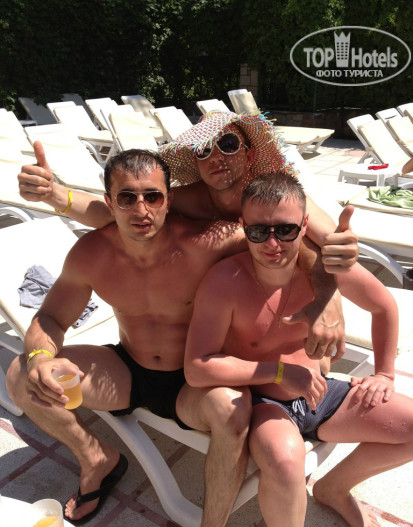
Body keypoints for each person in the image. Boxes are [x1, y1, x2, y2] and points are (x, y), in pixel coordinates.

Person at [7, 149, 253, 527]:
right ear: (109, 202)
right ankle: (96, 459)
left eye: (153, 196)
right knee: (21, 376)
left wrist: (326, 299)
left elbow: (285, 239)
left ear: (169, 200)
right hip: (128, 370)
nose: (142, 210)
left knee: (232, 411)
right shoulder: (92, 253)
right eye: (127, 198)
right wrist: (41, 357)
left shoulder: (206, 242)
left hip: (194, 379)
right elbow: (50, 317)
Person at [184, 172, 413, 527]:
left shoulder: (325, 270)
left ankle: (334, 488)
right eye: (259, 232)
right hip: (266, 403)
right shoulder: (225, 281)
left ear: (305, 225)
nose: (272, 244)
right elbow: (197, 367)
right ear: (244, 227)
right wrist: (278, 372)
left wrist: (385, 374)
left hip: (323, 395)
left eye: (286, 230)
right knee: (285, 461)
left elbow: (384, 306)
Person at [18, 111, 359, 360]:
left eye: (228, 144)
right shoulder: (184, 199)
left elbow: (318, 243)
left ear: (250, 153)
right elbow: (117, 215)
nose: (216, 157)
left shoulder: (273, 197)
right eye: (203, 150)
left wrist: (328, 300)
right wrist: (54, 194)